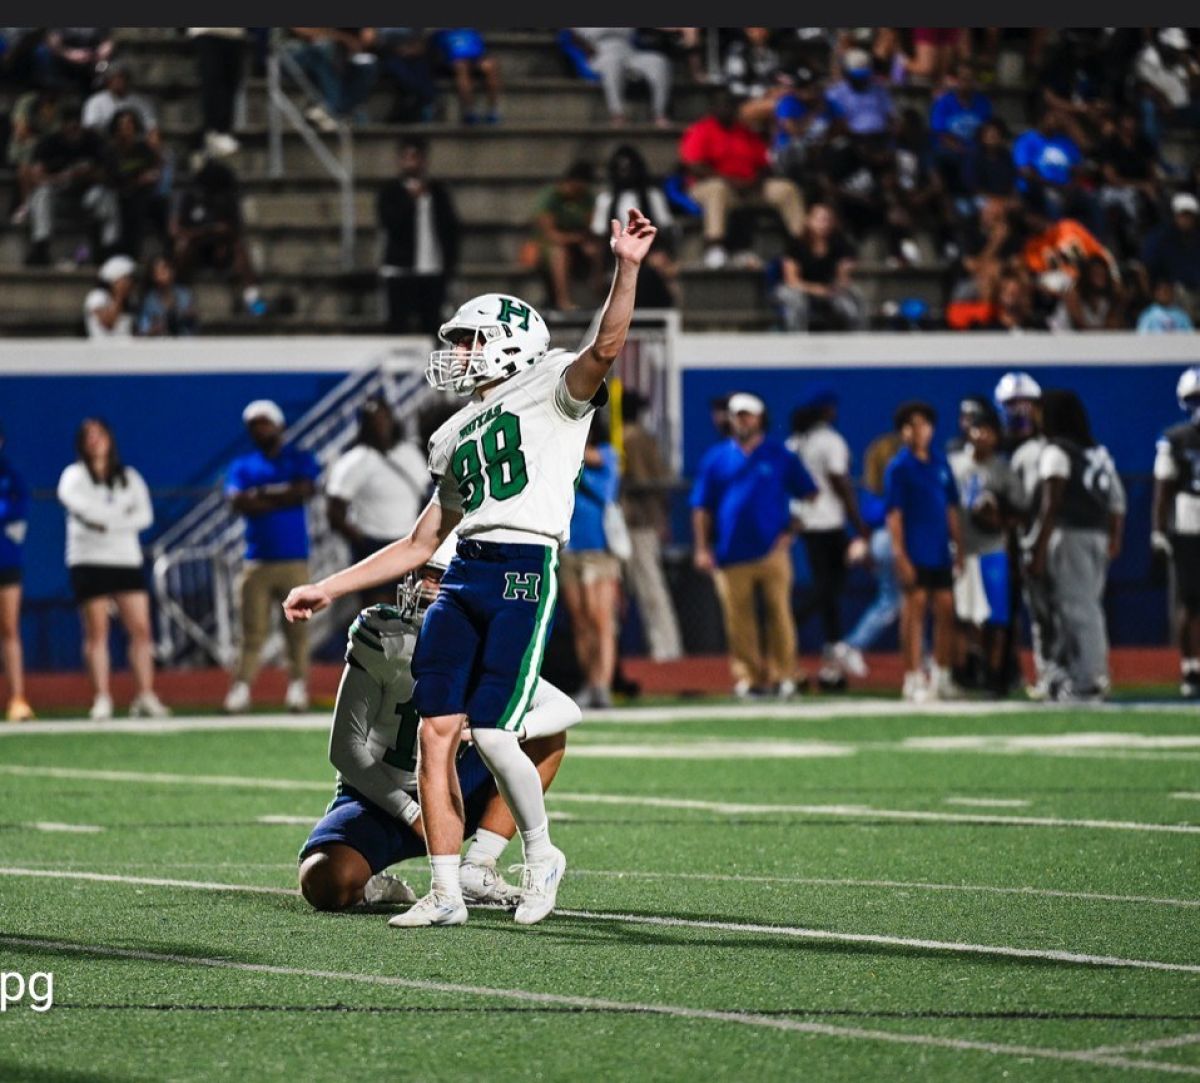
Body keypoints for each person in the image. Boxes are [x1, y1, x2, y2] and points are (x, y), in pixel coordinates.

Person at [282, 208, 660, 928]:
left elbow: (606, 345)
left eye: (469, 339)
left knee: (490, 732)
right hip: (466, 570)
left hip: (522, 562)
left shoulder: (551, 385)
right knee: (436, 730)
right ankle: (447, 890)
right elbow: (418, 543)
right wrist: (327, 587)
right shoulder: (454, 430)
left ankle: (538, 855)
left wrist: (627, 267)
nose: (456, 351)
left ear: (511, 342)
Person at [299, 538, 581, 912]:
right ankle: (372, 883)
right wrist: (412, 812)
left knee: (545, 736)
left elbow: (564, 708)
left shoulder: (483, 642)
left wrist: (504, 730)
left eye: (439, 577)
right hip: (379, 798)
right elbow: (345, 750)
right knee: (323, 882)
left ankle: (478, 866)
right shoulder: (385, 637)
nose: (425, 586)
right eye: (423, 575)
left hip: (454, 789)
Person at [691, 391, 817, 698]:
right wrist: (702, 548)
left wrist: (792, 529)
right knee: (738, 620)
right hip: (730, 552)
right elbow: (702, 507)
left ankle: (784, 674)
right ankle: (750, 678)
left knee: (779, 614)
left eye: (748, 415)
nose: (743, 421)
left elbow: (809, 493)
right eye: (738, 416)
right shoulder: (717, 458)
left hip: (772, 550)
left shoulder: (779, 454)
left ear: (760, 418)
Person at [56, 418, 169, 721]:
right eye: (88, 436)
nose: (95, 440)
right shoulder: (73, 476)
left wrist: (107, 521)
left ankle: (145, 695)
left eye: (100, 434)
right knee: (97, 632)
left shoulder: (129, 477)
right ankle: (102, 697)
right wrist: (118, 516)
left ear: (110, 439)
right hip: (88, 560)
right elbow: (81, 509)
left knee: (141, 629)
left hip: (126, 560)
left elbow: (144, 516)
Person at [223, 400, 321, 715]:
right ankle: (241, 688)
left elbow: (304, 490)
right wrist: (282, 495)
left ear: (279, 425)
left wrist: (262, 495)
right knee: (252, 631)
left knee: (297, 630)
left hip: (294, 559)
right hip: (257, 561)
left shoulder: (298, 459)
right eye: (255, 425)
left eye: (265, 423)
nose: (261, 430)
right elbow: (239, 502)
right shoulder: (243, 465)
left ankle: (298, 687)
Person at [1026, 389, 1124, 701]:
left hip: (1070, 534)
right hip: (1097, 534)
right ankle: (1077, 674)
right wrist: (1114, 538)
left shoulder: (1057, 451)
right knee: (1084, 606)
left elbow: (1051, 504)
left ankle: (1090, 678)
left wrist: (1038, 548)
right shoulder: (1097, 453)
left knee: (1076, 609)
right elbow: (1117, 502)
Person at [786, 385, 869, 689]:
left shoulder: (795, 442)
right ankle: (790, 622)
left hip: (805, 521)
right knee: (830, 587)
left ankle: (832, 647)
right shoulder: (829, 441)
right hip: (829, 521)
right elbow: (840, 482)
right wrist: (858, 523)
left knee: (829, 591)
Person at [885, 401, 963, 703]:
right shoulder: (899, 468)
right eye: (910, 425)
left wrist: (959, 547)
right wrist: (900, 554)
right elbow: (894, 515)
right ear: (902, 432)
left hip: (940, 551)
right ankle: (913, 677)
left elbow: (951, 509)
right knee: (914, 610)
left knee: (946, 609)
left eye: (922, 424)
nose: (917, 431)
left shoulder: (941, 464)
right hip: (915, 550)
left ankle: (942, 676)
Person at [679, 90, 804, 270]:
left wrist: (756, 181)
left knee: (786, 189)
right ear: (713, 109)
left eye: (730, 107)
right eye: (722, 106)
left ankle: (801, 243)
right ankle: (714, 246)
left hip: (748, 187)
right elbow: (694, 165)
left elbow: (764, 163)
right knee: (718, 189)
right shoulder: (702, 129)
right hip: (708, 187)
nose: (727, 110)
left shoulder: (744, 131)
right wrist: (729, 180)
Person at [948, 405, 1024, 696]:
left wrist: (998, 518)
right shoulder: (954, 465)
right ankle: (963, 672)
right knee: (961, 617)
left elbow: (1020, 512)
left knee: (996, 618)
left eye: (988, 431)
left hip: (992, 550)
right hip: (960, 549)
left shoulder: (1002, 469)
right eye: (977, 429)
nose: (982, 436)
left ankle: (994, 676)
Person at [325, 396, 428, 603]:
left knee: (414, 610)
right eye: (373, 421)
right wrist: (362, 543)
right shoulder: (354, 461)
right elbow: (335, 512)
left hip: (409, 544)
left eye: (383, 418)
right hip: (374, 546)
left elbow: (428, 495)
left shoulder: (410, 453)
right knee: (378, 613)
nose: (379, 425)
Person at [995, 370, 1053, 698]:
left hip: (1036, 538)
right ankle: (1006, 671)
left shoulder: (1045, 446)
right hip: (1002, 541)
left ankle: (1055, 671)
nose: (1019, 411)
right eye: (1012, 404)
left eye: (1025, 403)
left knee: (1047, 610)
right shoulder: (995, 447)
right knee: (1003, 612)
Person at [559, 413, 623, 708]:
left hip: (599, 549)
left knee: (601, 620)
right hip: (569, 547)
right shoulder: (565, 457)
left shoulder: (607, 455)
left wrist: (575, 457)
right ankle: (590, 682)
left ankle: (603, 684)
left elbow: (605, 491)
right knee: (580, 621)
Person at [830, 429, 902, 680]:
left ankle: (924, 655)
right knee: (892, 600)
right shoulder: (891, 488)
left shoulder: (872, 490)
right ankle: (852, 645)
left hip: (881, 542)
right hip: (892, 541)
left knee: (905, 601)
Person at [618, 389, 682, 662]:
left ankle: (666, 649)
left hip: (636, 522)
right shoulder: (633, 435)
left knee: (649, 586)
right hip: (632, 523)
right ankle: (663, 647)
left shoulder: (631, 437)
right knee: (635, 588)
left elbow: (646, 480)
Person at [377, 136, 461, 336]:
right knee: (398, 324)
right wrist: (410, 201)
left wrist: (450, 262)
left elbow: (450, 228)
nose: (411, 162)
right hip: (400, 269)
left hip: (432, 268)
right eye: (407, 157)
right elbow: (391, 224)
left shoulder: (437, 192)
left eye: (415, 157)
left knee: (432, 323)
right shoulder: (390, 191)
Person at [1152, 367, 1200, 699]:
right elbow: (1163, 488)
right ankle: (1191, 667)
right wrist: (1158, 530)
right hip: (1188, 522)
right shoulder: (1175, 439)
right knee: (1190, 599)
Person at [172, 154, 263, 316]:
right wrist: (207, 231)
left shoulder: (227, 200)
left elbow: (235, 229)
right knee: (182, 247)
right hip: (197, 248)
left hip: (222, 248)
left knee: (240, 249)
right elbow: (177, 230)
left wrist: (222, 240)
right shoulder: (189, 197)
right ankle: (180, 298)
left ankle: (254, 303)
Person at [25, 110, 119, 268]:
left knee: (107, 196)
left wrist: (88, 174)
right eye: (69, 126)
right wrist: (63, 177)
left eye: (77, 126)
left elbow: (108, 175)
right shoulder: (49, 142)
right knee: (41, 194)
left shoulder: (94, 141)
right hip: (60, 197)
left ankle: (108, 248)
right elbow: (35, 177)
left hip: (87, 198)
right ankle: (41, 246)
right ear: (62, 126)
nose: (73, 130)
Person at [591, 145, 678, 308]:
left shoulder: (653, 196)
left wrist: (662, 253)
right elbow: (600, 239)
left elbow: (665, 230)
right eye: (621, 169)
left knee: (660, 267)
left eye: (629, 169)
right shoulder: (606, 200)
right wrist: (598, 273)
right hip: (617, 258)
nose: (625, 174)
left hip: (649, 254)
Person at [773, 203, 867, 332]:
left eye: (826, 220)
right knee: (796, 301)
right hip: (798, 288)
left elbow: (842, 277)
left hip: (828, 289)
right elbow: (791, 280)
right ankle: (796, 337)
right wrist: (815, 289)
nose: (823, 224)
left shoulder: (839, 244)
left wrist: (840, 282)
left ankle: (858, 336)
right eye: (819, 219)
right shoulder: (795, 245)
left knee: (852, 300)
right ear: (808, 221)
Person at [530, 161, 599, 312]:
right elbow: (550, 234)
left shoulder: (586, 198)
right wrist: (575, 238)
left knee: (596, 250)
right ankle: (563, 300)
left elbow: (591, 225)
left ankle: (599, 294)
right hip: (550, 244)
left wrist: (585, 240)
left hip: (578, 242)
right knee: (559, 253)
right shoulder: (550, 197)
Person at [570, 28, 671, 127]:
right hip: (601, 54)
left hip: (629, 52)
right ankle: (618, 114)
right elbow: (575, 38)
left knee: (658, 61)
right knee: (612, 62)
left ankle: (659, 113)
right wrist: (588, 50)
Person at [0, 424, 33, 722]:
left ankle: (17, 697)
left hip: (6, 561)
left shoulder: (10, 476)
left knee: (9, 628)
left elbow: (18, 509)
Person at [289, 28, 379, 130]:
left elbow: (369, 37)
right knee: (320, 52)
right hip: (299, 54)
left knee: (368, 65)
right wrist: (343, 37)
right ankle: (333, 111)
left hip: (341, 57)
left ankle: (332, 111)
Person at [187, 28, 247, 158]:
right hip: (207, 31)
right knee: (213, 80)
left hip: (235, 33)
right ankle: (214, 131)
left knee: (231, 84)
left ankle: (221, 131)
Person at [436, 29, 501, 125]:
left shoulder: (471, 32)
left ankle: (492, 110)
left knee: (490, 65)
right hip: (454, 62)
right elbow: (440, 52)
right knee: (461, 67)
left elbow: (481, 50)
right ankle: (469, 111)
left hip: (475, 60)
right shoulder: (442, 34)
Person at [82, 63, 158, 144]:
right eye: (114, 78)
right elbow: (90, 128)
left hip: (136, 144)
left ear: (127, 80)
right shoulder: (95, 101)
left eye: (121, 77)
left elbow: (152, 126)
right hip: (104, 144)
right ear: (108, 81)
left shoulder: (141, 101)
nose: (118, 81)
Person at [137, 255, 197, 337]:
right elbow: (143, 329)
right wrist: (155, 328)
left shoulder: (185, 294)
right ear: (153, 276)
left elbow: (194, 323)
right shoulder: (149, 301)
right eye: (157, 271)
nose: (162, 273)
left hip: (184, 340)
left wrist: (188, 315)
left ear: (172, 271)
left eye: (165, 269)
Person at [84, 254, 136, 339]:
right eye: (125, 278)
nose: (129, 283)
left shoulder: (130, 299)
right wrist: (119, 295)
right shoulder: (97, 296)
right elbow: (108, 324)